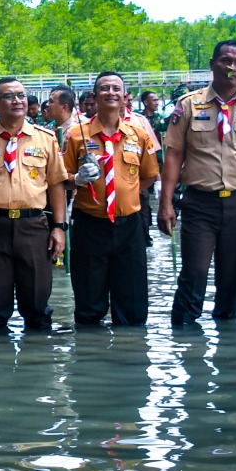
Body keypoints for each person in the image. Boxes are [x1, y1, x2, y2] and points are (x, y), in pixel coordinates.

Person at [159, 40, 236, 327]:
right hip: (199, 203)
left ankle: (229, 340)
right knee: (194, 272)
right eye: (226, 60)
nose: (232, 67)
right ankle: (185, 337)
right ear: (213, 64)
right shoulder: (189, 104)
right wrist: (165, 204)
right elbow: (174, 155)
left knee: (234, 277)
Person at [0, 76, 67, 331]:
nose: (17, 101)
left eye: (21, 95)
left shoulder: (45, 139)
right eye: (9, 96)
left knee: (37, 305)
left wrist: (59, 227)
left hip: (33, 227)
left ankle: (38, 352)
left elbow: (56, 184)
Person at [62, 72, 158, 327]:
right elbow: (62, 178)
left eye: (116, 88)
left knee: (133, 305)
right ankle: (91, 349)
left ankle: (129, 348)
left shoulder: (139, 135)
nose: (111, 93)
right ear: (94, 97)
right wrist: (78, 179)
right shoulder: (76, 135)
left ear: (125, 97)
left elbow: (149, 176)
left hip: (129, 225)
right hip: (90, 225)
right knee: (88, 303)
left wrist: (126, 193)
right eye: (104, 88)